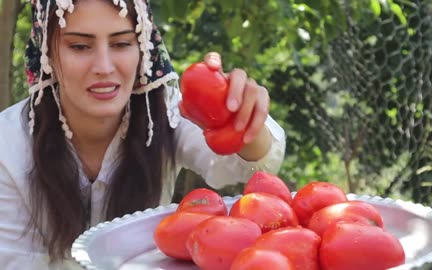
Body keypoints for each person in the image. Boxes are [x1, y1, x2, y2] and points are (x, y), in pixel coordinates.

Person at [0, 0, 286, 269]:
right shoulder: (7, 144)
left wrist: (243, 119)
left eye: (122, 43)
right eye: (79, 46)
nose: (104, 67)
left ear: (144, 47)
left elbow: (250, 168)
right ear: (47, 53)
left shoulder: (166, 113)